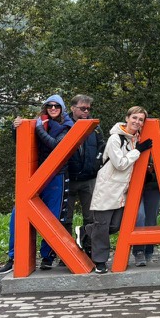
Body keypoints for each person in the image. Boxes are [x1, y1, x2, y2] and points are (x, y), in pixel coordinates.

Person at [0, 95, 74, 274]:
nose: (53, 108)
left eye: (57, 106)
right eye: (50, 105)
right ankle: (14, 257)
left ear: (62, 108)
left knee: (52, 217)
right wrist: (16, 128)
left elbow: (56, 145)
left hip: (56, 176)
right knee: (18, 215)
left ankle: (47, 257)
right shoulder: (39, 122)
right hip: (34, 176)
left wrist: (39, 129)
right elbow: (22, 144)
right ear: (45, 107)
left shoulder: (67, 126)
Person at [77, 106, 152, 274]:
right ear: (127, 117)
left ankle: (86, 230)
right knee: (102, 227)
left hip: (123, 191)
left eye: (141, 120)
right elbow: (120, 164)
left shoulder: (135, 138)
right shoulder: (115, 138)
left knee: (115, 226)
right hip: (108, 188)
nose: (137, 122)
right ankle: (100, 261)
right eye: (134, 118)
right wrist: (137, 151)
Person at [64, 95, 104, 238]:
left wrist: (96, 165)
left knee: (91, 217)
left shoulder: (95, 126)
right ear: (73, 108)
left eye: (88, 108)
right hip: (68, 178)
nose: (86, 111)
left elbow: (101, 147)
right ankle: (66, 252)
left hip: (89, 178)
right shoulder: (64, 125)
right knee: (65, 218)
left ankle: (88, 248)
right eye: (82, 108)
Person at [132, 159, 160, 267]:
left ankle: (149, 250)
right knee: (139, 216)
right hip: (134, 182)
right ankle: (139, 251)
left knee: (151, 219)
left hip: (153, 183)